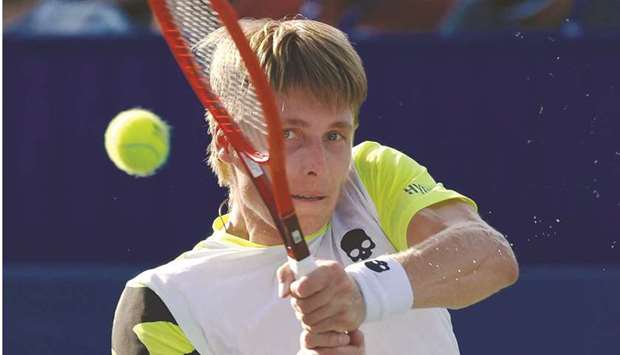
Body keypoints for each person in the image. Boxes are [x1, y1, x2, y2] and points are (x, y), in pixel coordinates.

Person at [112, 18, 519, 355]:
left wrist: (365, 290)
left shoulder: (370, 175)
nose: (318, 167)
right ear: (227, 142)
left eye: (335, 136)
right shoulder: (165, 302)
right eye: (289, 135)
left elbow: (491, 257)